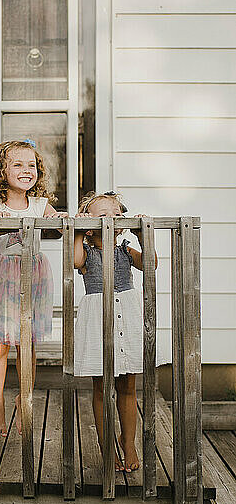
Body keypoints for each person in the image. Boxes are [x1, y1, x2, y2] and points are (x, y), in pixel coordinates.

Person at [0, 139, 65, 438]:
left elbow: (58, 227)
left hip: (31, 278)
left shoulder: (39, 203)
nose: (27, 170)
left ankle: (25, 404)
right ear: (1, 170)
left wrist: (59, 219)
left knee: (27, 344)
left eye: (31, 165)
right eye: (18, 164)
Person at [74, 191, 168, 472]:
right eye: (102, 216)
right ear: (89, 225)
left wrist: (143, 234)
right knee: (102, 388)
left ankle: (128, 444)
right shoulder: (88, 253)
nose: (111, 220)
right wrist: (77, 232)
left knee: (128, 386)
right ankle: (107, 448)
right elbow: (75, 262)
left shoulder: (126, 250)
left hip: (126, 316)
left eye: (116, 215)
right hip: (99, 320)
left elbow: (150, 264)